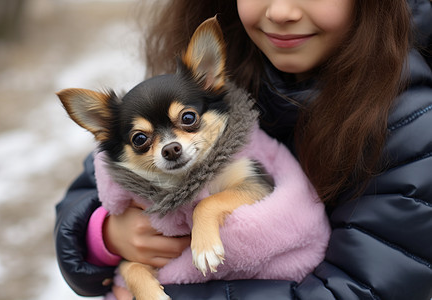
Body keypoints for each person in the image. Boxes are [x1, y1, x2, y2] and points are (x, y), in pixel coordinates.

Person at [54, 0, 432, 299]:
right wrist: (102, 235)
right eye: (142, 139)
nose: (281, 10)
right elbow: (89, 191)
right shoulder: (185, 87)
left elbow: (361, 288)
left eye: (186, 120)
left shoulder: (411, 130)